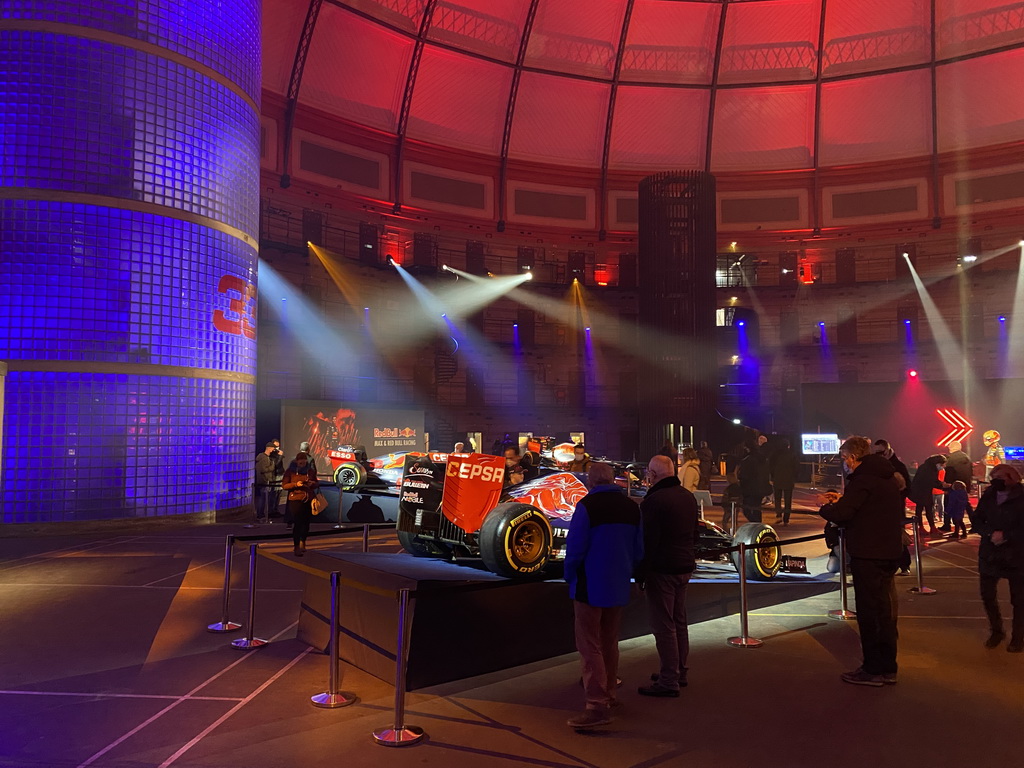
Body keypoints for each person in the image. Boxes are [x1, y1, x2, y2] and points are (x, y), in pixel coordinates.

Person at [564, 462, 644, 729]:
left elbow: (575, 550)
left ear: (590, 481)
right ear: (612, 480)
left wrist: (569, 577)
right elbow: (638, 550)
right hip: (618, 584)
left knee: (589, 646)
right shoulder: (632, 508)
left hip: (589, 585)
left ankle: (596, 706)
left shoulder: (587, 507)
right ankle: (609, 695)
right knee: (610, 643)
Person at [819, 436, 904, 686]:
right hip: (888, 551)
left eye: (844, 458)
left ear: (853, 458)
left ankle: (872, 669)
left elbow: (844, 514)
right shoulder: (886, 478)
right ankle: (888, 667)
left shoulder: (862, 480)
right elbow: (867, 508)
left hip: (869, 554)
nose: (843, 463)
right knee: (885, 613)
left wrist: (825, 507)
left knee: (869, 613)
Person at [637, 455, 699, 697]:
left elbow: (648, 542)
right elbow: (695, 534)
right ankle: (678, 670)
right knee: (679, 622)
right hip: (684, 566)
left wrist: (641, 572)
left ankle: (668, 680)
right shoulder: (687, 496)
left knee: (663, 626)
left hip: (662, 569)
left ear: (653, 473)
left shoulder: (654, 501)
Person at [969, 463, 1024, 652]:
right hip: (990, 553)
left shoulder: (1021, 497)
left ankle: (1018, 637)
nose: (996, 482)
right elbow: (977, 519)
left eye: (1000, 478)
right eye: (994, 478)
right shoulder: (990, 495)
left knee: (1018, 599)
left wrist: (1006, 535)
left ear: (1011, 479)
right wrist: (989, 533)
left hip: (1015, 554)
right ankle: (997, 631)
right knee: (987, 594)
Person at [874, 439, 913, 574]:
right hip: (883, 506)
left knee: (898, 535)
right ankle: (890, 564)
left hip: (895, 506)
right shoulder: (879, 464)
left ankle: (904, 564)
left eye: (880, 451)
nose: (879, 454)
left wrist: (898, 496)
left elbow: (907, 486)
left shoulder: (898, 466)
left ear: (887, 450)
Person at [282, 452, 319, 556]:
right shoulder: (290, 471)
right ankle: (296, 546)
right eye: (300, 461)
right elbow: (284, 485)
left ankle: (303, 541)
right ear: (297, 461)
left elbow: (316, 483)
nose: (302, 462)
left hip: (308, 499)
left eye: (304, 460)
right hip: (295, 499)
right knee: (298, 523)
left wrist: (313, 484)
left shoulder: (310, 471)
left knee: (306, 523)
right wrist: (295, 484)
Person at [909, 454, 948, 534]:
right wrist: (942, 485)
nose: (943, 467)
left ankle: (925, 527)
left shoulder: (927, 467)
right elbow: (931, 481)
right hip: (922, 491)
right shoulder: (929, 469)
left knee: (923, 508)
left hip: (922, 490)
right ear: (938, 463)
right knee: (926, 508)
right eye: (942, 464)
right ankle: (926, 528)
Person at [769, 439, 800, 525]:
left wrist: (772, 477)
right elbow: (796, 468)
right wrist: (794, 477)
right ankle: (786, 519)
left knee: (777, 499)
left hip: (777, 479)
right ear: (788, 446)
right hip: (789, 480)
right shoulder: (792, 455)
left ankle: (778, 515)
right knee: (788, 500)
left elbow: (771, 466)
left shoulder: (775, 455)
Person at [737, 445, 770, 523]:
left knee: (746, 509)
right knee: (757, 508)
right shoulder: (763, 460)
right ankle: (758, 524)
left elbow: (743, 475)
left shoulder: (747, 460)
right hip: (760, 488)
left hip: (749, 488)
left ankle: (755, 523)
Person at [254, 441, 279, 523]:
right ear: (269, 449)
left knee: (264, 499)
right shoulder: (263, 458)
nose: (273, 451)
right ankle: (260, 515)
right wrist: (272, 466)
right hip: (264, 481)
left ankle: (262, 515)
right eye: (273, 449)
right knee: (262, 499)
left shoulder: (265, 457)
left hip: (266, 481)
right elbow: (263, 469)